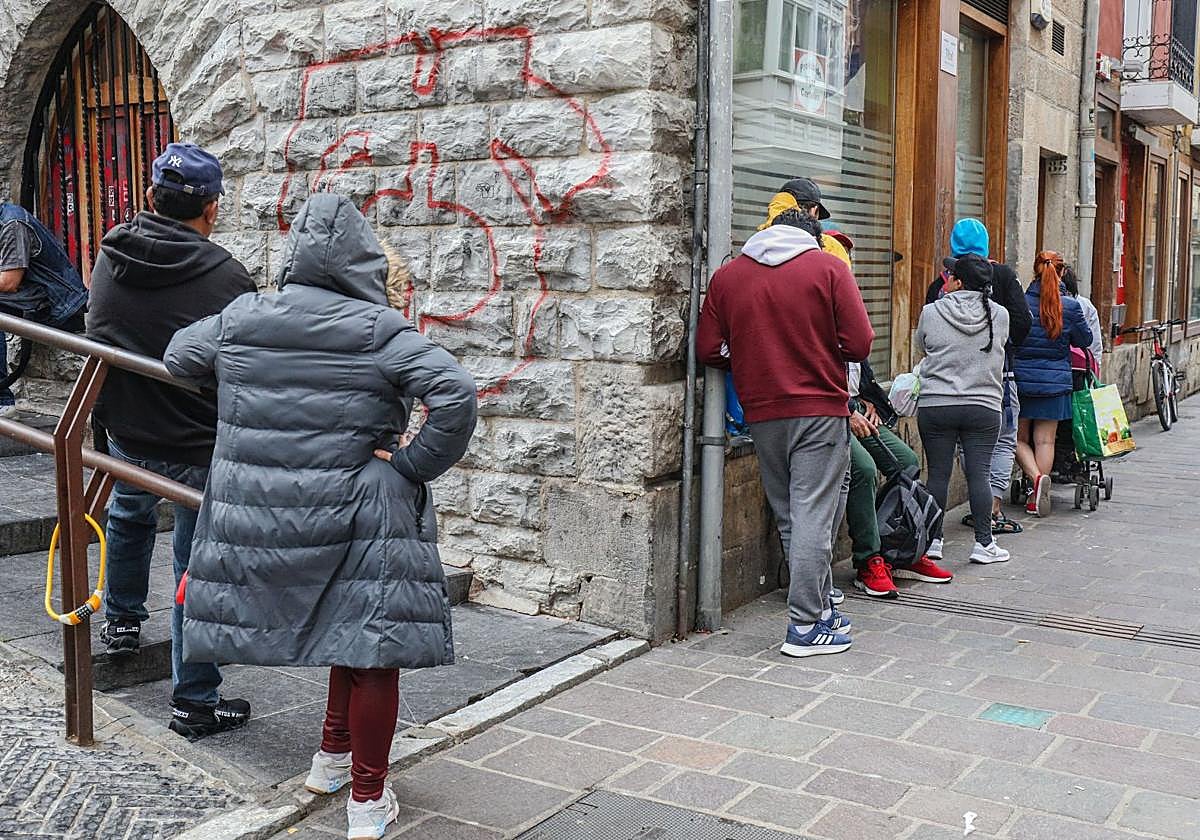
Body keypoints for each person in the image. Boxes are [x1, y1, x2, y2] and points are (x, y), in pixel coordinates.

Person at [165, 193, 476, 840]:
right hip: (358, 512)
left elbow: (177, 357)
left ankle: (331, 760)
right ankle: (368, 801)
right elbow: (455, 395)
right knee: (370, 647)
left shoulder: (244, 316)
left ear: (296, 257)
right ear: (362, 261)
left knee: (351, 638)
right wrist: (409, 466)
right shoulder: (380, 330)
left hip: (266, 515)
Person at [85, 142, 257, 738]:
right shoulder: (226, 274)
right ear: (209, 208)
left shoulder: (112, 251)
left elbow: (99, 323)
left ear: (152, 196)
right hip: (196, 439)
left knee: (129, 515)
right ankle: (194, 701)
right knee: (195, 562)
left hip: (124, 423)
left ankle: (122, 622)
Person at [698, 208, 874, 657]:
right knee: (815, 514)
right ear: (811, 236)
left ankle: (820, 608)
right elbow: (859, 343)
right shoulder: (828, 268)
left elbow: (708, 349)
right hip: (817, 407)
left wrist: (752, 357)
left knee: (792, 517)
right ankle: (805, 624)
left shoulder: (728, 276)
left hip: (762, 412)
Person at [927, 219, 1032, 538]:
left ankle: (932, 540)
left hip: (940, 391)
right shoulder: (1002, 279)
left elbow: (925, 339)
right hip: (992, 382)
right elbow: (1022, 323)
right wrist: (997, 347)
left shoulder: (940, 287)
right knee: (999, 443)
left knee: (940, 471)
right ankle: (989, 519)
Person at [916, 254, 1011, 564]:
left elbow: (923, 346)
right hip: (982, 406)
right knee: (979, 475)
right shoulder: (1000, 315)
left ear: (957, 282)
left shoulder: (931, 312)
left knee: (938, 475)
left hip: (937, 404)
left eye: (951, 275)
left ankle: (933, 542)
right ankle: (984, 543)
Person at [1013, 251, 1094, 516]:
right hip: (1056, 382)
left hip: (1023, 381)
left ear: (1035, 271)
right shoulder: (1070, 307)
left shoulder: (1021, 303)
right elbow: (1084, 340)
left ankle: (1034, 480)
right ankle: (1039, 490)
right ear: (1060, 273)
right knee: (1045, 441)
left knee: (1018, 438)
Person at [0, 202, 88, 414]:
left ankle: (3, 401)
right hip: (30, 300)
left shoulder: (12, 224)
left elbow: (9, 282)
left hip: (58, 307)